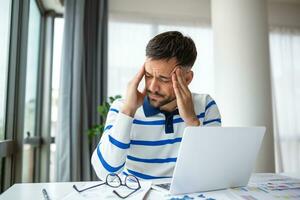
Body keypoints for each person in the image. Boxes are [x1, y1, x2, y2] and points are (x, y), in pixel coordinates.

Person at [91, 31, 221, 180]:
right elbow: (105, 173)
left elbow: (212, 172)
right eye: (148, 75)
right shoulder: (123, 107)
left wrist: (192, 121)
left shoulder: (205, 106)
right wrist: (128, 112)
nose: (152, 87)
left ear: (187, 79)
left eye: (164, 79)